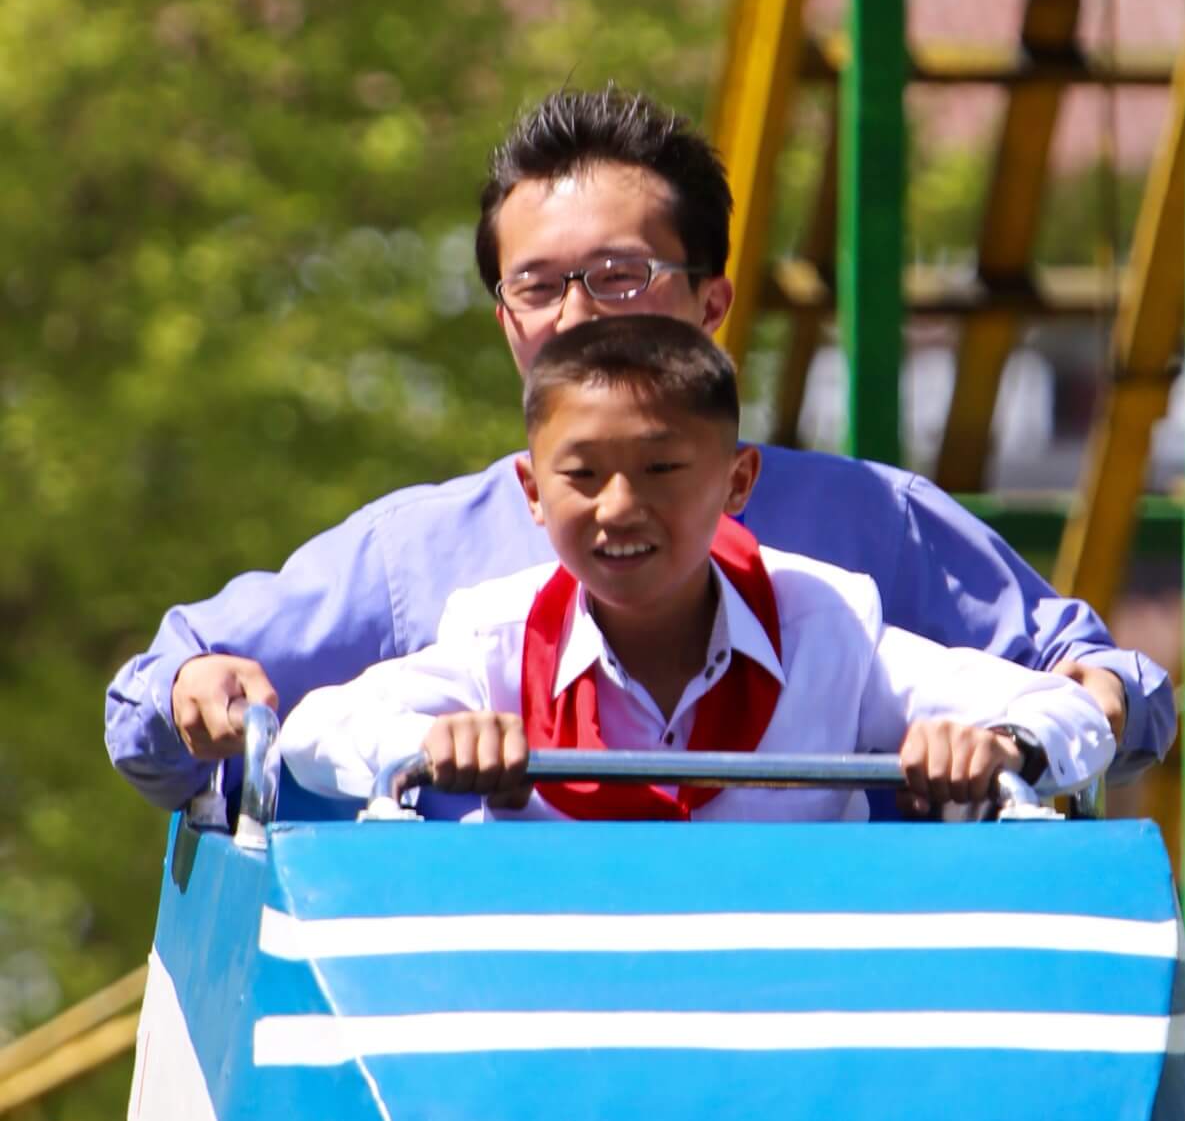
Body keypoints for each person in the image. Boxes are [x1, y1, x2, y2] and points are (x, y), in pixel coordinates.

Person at [105, 88, 1172, 811]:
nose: (576, 313)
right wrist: (201, 688)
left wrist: (1046, 724)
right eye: (537, 284)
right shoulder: (425, 564)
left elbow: (1098, 688)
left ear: (711, 300)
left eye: (618, 274)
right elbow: (169, 704)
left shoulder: (864, 542)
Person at [280, 319, 1114, 822]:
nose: (617, 508)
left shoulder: (828, 624)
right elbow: (314, 732)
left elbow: (1069, 711)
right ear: (531, 494)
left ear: (738, 483)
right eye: (581, 476)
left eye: (662, 470)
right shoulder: (495, 639)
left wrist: (1000, 745)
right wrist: (426, 742)